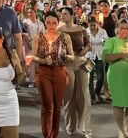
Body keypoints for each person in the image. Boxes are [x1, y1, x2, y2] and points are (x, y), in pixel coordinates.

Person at [30, 11, 74, 138]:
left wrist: (64, 55)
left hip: (60, 71)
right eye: (48, 22)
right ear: (44, 22)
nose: (51, 25)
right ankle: (47, 135)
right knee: (48, 105)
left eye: (54, 22)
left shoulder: (65, 37)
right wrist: (43, 60)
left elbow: (72, 56)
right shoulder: (39, 36)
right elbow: (32, 56)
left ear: (58, 22)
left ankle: (54, 134)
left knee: (57, 106)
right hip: (44, 72)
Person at [59, 7, 93, 138]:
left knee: (85, 95)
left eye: (65, 14)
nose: (62, 16)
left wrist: (84, 50)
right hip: (67, 63)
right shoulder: (59, 30)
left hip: (81, 62)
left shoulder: (81, 29)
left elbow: (88, 44)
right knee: (68, 97)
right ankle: (70, 126)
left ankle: (86, 128)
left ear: (72, 15)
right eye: (61, 14)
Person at [101, 19, 128, 138]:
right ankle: (120, 130)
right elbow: (106, 57)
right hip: (116, 77)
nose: (125, 30)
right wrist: (122, 55)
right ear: (116, 29)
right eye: (122, 28)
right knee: (118, 104)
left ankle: (127, 129)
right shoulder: (111, 41)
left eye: (127, 28)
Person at [86, 16, 108, 104]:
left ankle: (97, 92)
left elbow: (106, 41)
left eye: (93, 25)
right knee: (89, 78)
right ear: (88, 24)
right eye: (90, 25)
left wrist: (98, 42)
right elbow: (84, 42)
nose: (92, 27)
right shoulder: (86, 32)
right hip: (89, 57)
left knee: (101, 77)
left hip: (99, 56)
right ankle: (92, 97)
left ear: (97, 24)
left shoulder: (103, 31)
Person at [23, 7, 45, 87]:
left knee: (38, 63)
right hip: (28, 44)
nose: (30, 14)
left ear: (35, 13)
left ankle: (39, 80)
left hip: (38, 45)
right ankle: (32, 81)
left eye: (31, 12)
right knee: (31, 63)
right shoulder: (25, 22)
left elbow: (44, 34)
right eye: (28, 12)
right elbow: (23, 33)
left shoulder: (40, 23)